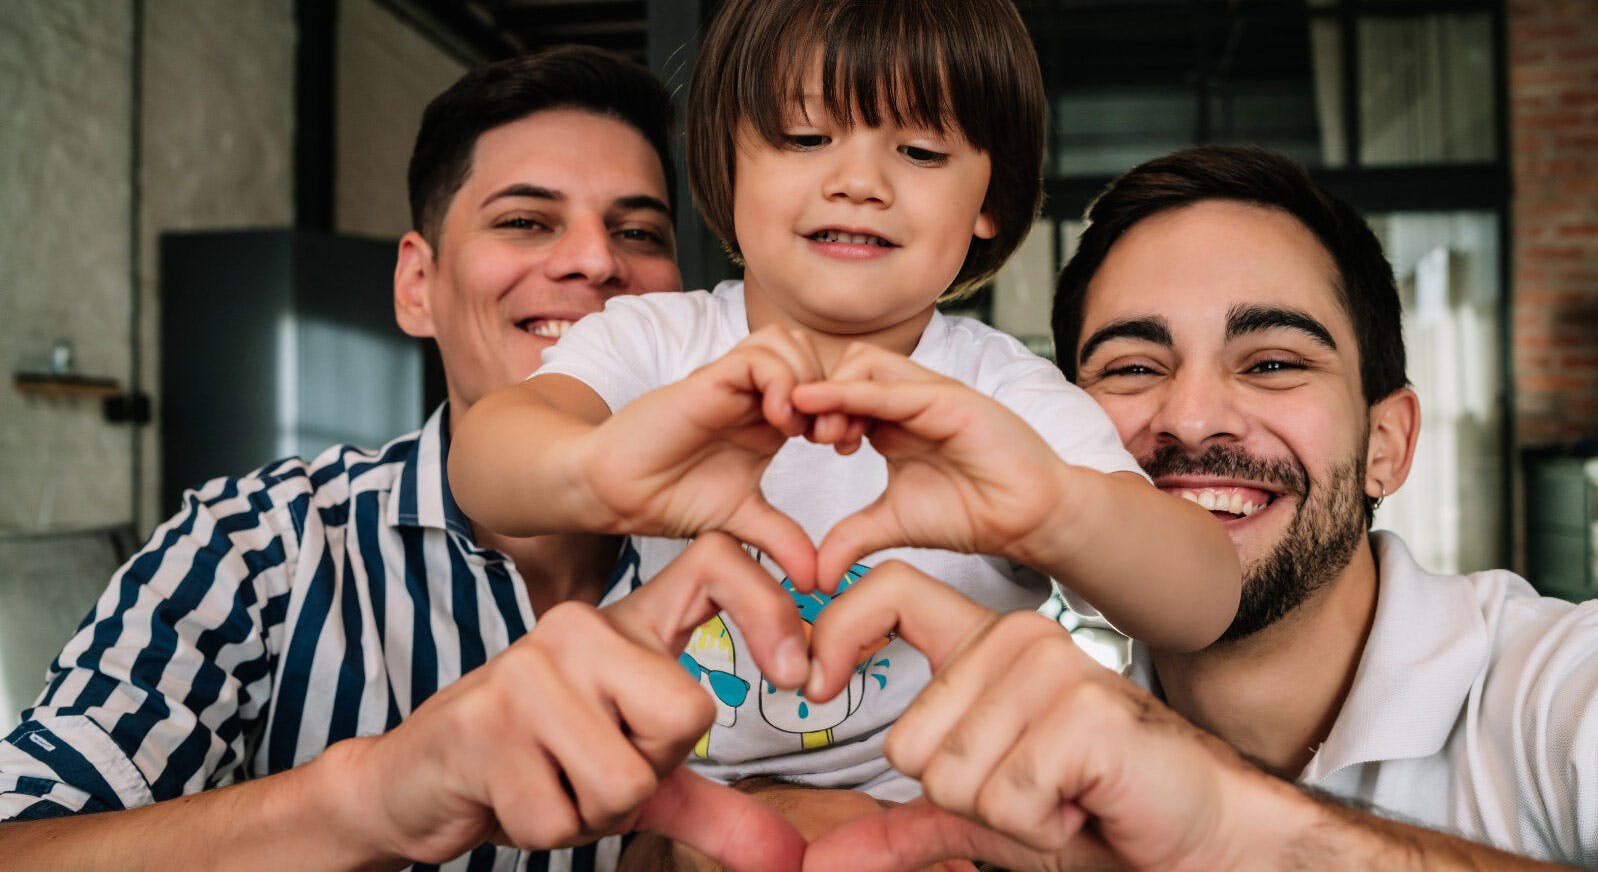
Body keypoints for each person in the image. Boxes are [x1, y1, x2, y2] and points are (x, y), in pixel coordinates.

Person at [0, 46, 816, 872]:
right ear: (417, 286)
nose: (598, 261)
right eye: (526, 220)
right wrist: (370, 796)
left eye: (638, 231)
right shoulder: (254, 548)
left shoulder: (783, 552)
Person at [449, 0, 1240, 803]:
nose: (859, 182)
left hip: (948, 816)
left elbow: (1201, 599)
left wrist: (1054, 509)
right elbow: (488, 459)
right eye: (805, 137)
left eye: (922, 150)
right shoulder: (656, 343)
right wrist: (595, 468)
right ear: (727, 164)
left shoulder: (1006, 395)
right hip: (691, 813)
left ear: (989, 200)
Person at [783, 145, 1597, 869]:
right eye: (1133, 368)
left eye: (1274, 362)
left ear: (1387, 444)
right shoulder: (1003, 773)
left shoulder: (1553, 691)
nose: (1193, 416)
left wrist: (1231, 826)